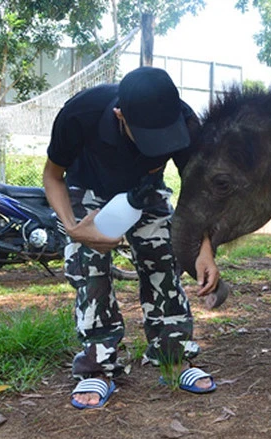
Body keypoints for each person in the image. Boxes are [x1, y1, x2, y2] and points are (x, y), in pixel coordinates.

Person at [43, 66, 220, 409]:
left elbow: (198, 191)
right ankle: (98, 363)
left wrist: (205, 247)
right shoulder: (82, 113)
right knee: (89, 270)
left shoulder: (184, 121)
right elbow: (52, 176)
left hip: (144, 191)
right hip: (88, 190)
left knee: (164, 262)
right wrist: (73, 228)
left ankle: (174, 356)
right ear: (120, 115)